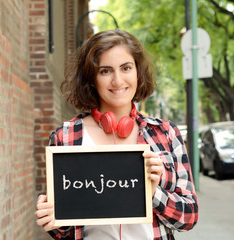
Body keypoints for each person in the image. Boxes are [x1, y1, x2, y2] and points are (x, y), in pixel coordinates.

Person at [35, 29, 198, 240]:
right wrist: (51, 220)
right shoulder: (65, 138)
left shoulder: (166, 133)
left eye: (126, 68)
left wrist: (153, 192)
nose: (117, 80)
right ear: (91, 78)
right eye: (105, 71)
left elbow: (189, 218)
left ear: (138, 72)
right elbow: (63, 231)